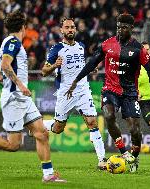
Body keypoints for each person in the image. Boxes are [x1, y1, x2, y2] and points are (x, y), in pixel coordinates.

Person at [0, 11, 66, 183]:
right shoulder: (13, 42)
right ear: (24, 27)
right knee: (13, 145)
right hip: (15, 99)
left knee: (42, 133)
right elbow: (5, 65)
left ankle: (48, 175)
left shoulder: (6, 43)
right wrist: (20, 86)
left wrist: (10, 85)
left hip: (21, 98)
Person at [66, 13, 150, 172]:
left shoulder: (138, 49)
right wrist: (76, 80)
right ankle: (124, 153)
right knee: (109, 116)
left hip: (130, 92)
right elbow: (92, 63)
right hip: (110, 89)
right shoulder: (107, 44)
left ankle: (134, 158)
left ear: (131, 28)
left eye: (124, 27)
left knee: (135, 130)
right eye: (118, 27)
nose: (120, 30)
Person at [41, 17, 107, 170]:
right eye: (67, 27)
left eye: (72, 27)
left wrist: (90, 69)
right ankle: (37, 124)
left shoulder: (81, 46)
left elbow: (80, 66)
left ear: (75, 30)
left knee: (92, 122)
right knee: (58, 128)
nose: (70, 29)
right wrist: (54, 66)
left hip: (83, 90)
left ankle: (102, 160)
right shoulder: (56, 49)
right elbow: (44, 71)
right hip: (66, 93)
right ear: (61, 30)